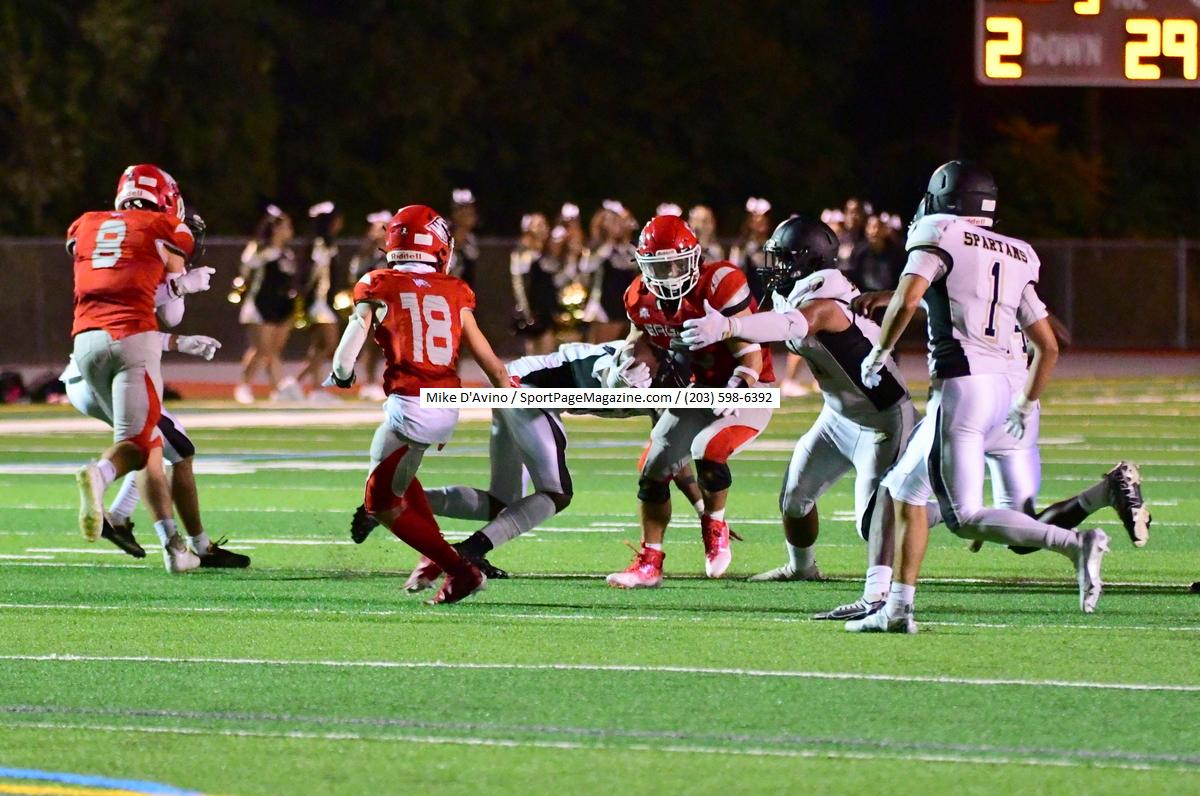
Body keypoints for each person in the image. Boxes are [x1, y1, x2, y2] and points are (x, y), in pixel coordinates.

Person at [846, 160, 1109, 633]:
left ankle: (1076, 544)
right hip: (1008, 387)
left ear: (944, 199)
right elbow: (1048, 345)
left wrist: (879, 352)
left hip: (962, 385)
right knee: (903, 489)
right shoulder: (1019, 252)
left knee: (963, 515)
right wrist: (1026, 402)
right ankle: (896, 610)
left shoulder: (938, 231)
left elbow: (908, 298)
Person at [681, 217, 915, 608]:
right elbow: (772, 321)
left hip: (884, 422)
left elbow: (793, 324)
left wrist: (727, 327)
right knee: (794, 499)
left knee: (871, 524)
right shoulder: (798, 293)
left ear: (810, 260)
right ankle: (801, 567)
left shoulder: (826, 303)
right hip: (838, 416)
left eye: (784, 259)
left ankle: (943, 513)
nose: (776, 267)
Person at [324, 204, 513, 604]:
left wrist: (341, 374)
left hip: (411, 405)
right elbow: (491, 363)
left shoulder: (378, 283)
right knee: (398, 474)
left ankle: (460, 570)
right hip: (444, 402)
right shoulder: (455, 289)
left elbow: (348, 348)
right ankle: (432, 558)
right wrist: (508, 393)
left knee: (380, 502)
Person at [606, 214, 775, 588]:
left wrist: (738, 385)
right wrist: (631, 363)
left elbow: (750, 354)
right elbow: (640, 339)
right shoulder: (638, 295)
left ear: (695, 258)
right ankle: (649, 563)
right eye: (658, 266)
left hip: (749, 386)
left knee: (708, 449)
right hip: (697, 389)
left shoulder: (720, 283)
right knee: (653, 469)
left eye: (675, 264)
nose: (668, 274)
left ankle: (715, 525)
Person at [69, 164, 214, 573]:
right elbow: (172, 315)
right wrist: (180, 281)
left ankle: (168, 545)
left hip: (84, 345)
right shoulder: (167, 227)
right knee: (141, 445)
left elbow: (109, 278)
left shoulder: (86, 224)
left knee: (150, 443)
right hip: (132, 339)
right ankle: (100, 476)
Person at [60, 335, 249, 569]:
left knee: (150, 446)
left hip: (82, 373)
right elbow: (144, 325)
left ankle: (120, 516)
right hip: (115, 374)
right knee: (178, 451)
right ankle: (102, 476)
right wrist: (177, 340)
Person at [235, 206, 299, 403]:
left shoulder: (287, 254)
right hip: (259, 304)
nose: (290, 230)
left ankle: (277, 388)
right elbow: (246, 271)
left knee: (273, 350)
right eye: (287, 226)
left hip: (280, 306)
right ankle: (244, 386)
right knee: (261, 349)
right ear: (276, 229)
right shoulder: (260, 249)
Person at [293, 201, 343, 395]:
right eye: (336, 219)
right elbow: (312, 275)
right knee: (331, 344)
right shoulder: (319, 244)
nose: (340, 222)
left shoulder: (327, 244)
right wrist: (305, 300)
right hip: (318, 302)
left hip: (323, 302)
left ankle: (316, 389)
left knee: (318, 345)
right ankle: (295, 382)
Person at [347, 210, 392, 400]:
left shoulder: (395, 252)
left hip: (392, 304)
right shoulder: (366, 253)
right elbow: (356, 277)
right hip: (371, 303)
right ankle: (370, 382)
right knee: (372, 344)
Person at [581, 200, 638, 343]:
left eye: (618, 221)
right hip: (605, 306)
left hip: (626, 304)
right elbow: (585, 267)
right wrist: (608, 243)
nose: (618, 224)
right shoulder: (596, 246)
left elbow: (634, 266)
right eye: (612, 221)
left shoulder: (628, 247)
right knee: (602, 349)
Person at [510, 212, 560, 355]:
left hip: (547, 308)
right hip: (533, 309)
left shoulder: (546, 253)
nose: (543, 229)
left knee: (546, 354)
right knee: (535, 354)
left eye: (544, 224)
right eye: (538, 225)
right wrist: (526, 311)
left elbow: (554, 280)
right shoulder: (523, 253)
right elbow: (519, 284)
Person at [729, 197, 772, 302]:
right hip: (747, 299)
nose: (759, 222)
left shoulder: (773, 246)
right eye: (755, 219)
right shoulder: (740, 247)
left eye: (763, 219)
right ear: (749, 223)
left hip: (768, 300)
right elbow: (734, 273)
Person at [846, 214, 905, 290]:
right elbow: (853, 278)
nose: (875, 231)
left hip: (889, 295)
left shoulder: (896, 254)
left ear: (885, 230)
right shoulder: (859, 252)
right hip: (864, 295)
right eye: (871, 227)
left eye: (879, 227)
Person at [448, 189, 479, 287]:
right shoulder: (442, 238)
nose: (470, 211)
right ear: (454, 213)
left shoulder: (471, 240)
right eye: (464, 208)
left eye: (471, 207)